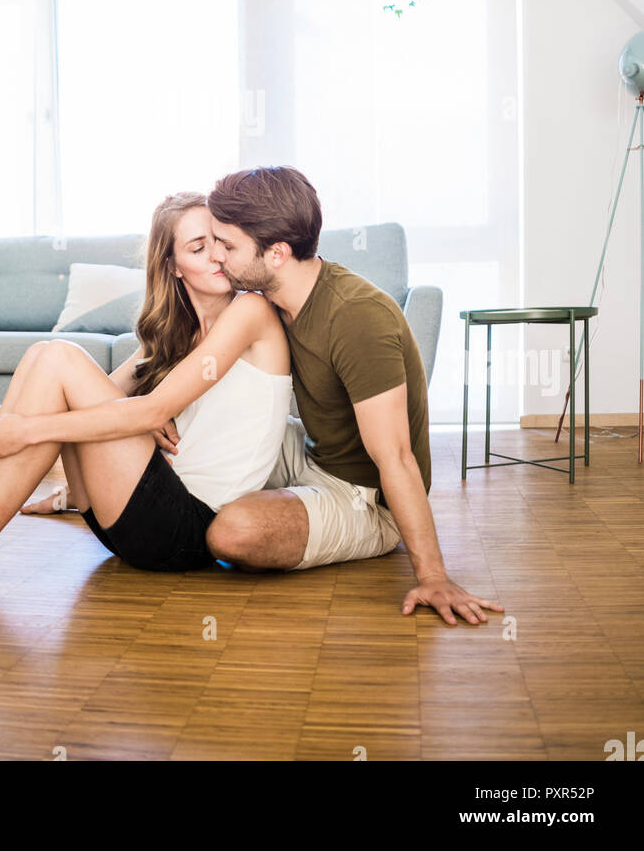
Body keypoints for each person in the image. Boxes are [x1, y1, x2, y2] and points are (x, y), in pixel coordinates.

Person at [0, 193, 292, 589]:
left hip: (186, 528)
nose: (217, 257)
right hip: (127, 521)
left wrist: (26, 431)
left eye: (220, 242)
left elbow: (148, 410)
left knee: (60, 358)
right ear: (173, 266)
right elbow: (101, 397)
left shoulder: (250, 310)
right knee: (45, 354)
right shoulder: (174, 335)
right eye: (198, 248)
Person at [202, 166, 505, 629]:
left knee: (234, 531)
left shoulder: (357, 316)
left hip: (364, 496)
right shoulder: (267, 300)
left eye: (227, 245)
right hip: (309, 451)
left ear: (277, 253)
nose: (216, 257)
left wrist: (433, 575)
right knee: (190, 430)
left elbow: (397, 457)